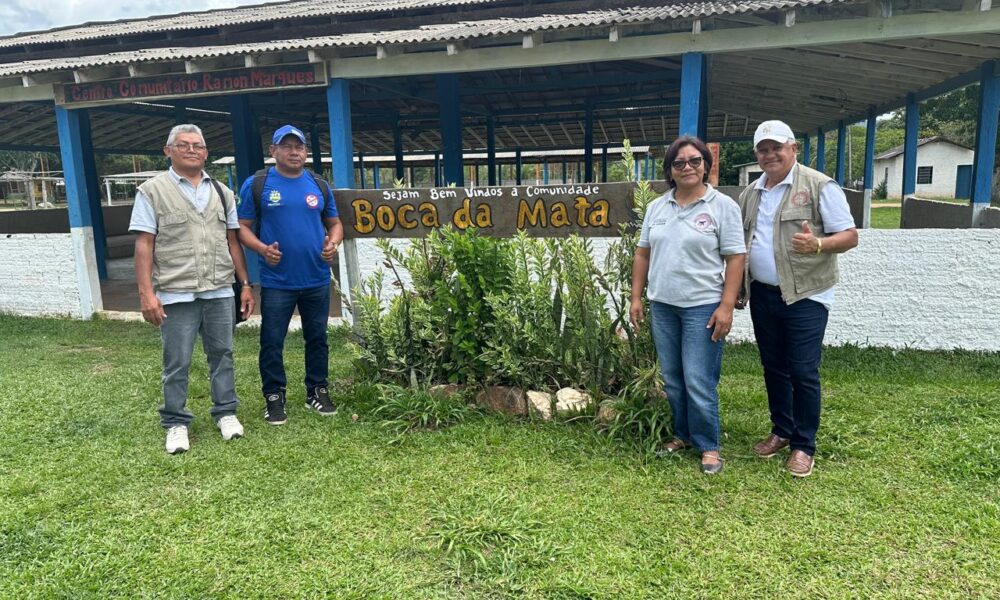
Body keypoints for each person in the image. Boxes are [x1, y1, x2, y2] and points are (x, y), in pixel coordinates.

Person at [738, 120, 859, 477]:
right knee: (773, 366)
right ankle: (782, 430)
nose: (770, 155)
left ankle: (804, 445)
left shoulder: (820, 186)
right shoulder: (751, 193)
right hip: (763, 293)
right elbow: (745, 243)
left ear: (793, 149)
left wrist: (818, 243)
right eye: (763, 149)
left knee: (803, 370)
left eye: (777, 147)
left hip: (807, 294)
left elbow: (850, 236)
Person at [129, 124, 255, 454]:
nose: (191, 150)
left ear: (206, 153)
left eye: (197, 145)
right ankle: (176, 422)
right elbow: (144, 244)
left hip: (219, 289)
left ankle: (225, 412)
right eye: (183, 145)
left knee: (223, 355)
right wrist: (146, 293)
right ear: (168, 151)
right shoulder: (152, 191)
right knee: (177, 361)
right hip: (176, 292)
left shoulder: (222, 192)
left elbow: (232, 241)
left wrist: (245, 284)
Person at [630, 136, 746, 475]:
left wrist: (726, 306)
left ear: (706, 165)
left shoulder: (722, 206)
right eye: (679, 163)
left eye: (695, 160)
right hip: (663, 306)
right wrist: (636, 298)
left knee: (698, 377)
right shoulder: (657, 208)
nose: (687, 167)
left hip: (702, 307)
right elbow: (642, 254)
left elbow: (736, 258)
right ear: (669, 170)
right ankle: (682, 435)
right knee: (673, 377)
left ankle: (709, 445)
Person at [237, 124, 344, 425]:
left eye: (299, 146)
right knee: (272, 340)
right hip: (277, 281)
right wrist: (262, 249)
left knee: (317, 338)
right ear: (273, 151)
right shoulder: (257, 184)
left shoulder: (318, 184)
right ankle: (274, 396)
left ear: (306, 151)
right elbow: (241, 227)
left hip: (316, 278)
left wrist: (333, 243)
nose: (294, 152)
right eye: (286, 146)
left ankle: (317, 390)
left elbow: (335, 224)